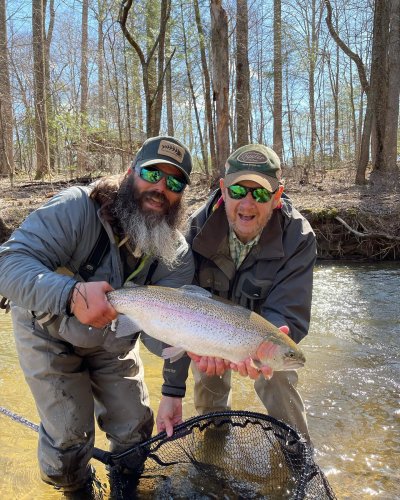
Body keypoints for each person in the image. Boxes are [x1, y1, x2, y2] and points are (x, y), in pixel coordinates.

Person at [0, 136, 195, 493]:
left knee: (136, 429)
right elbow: (8, 263)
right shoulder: (76, 208)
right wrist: (70, 294)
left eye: (175, 182)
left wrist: (176, 381)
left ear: (182, 195)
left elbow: (157, 338)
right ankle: (76, 489)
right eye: (152, 172)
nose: (160, 188)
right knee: (70, 439)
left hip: (113, 340)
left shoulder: (175, 252)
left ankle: (126, 487)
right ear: (129, 173)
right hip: (48, 333)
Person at [157, 143, 316, 443]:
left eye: (259, 194)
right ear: (222, 189)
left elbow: (288, 311)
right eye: (237, 191)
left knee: (278, 370)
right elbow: (176, 315)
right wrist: (172, 391)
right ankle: (214, 447)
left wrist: (261, 345)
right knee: (207, 380)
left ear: (277, 196)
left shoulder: (298, 237)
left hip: (259, 332)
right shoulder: (194, 231)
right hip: (208, 330)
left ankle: (296, 452)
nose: (247, 204)